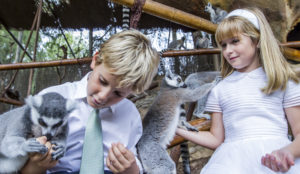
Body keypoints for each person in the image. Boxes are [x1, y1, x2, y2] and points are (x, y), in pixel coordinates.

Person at [176, 7, 300, 173]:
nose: (228, 51)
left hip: (275, 156)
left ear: (256, 41)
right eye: (223, 45)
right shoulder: (220, 89)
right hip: (232, 162)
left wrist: (288, 151)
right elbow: (216, 139)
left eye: (235, 41)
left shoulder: (281, 80)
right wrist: (176, 128)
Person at [21, 29, 160, 174]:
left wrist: (132, 171)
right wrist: (36, 165)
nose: (103, 97)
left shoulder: (130, 115)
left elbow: (136, 161)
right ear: (95, 60)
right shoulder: (50, 99)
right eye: (102, 81)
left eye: (118, 93)